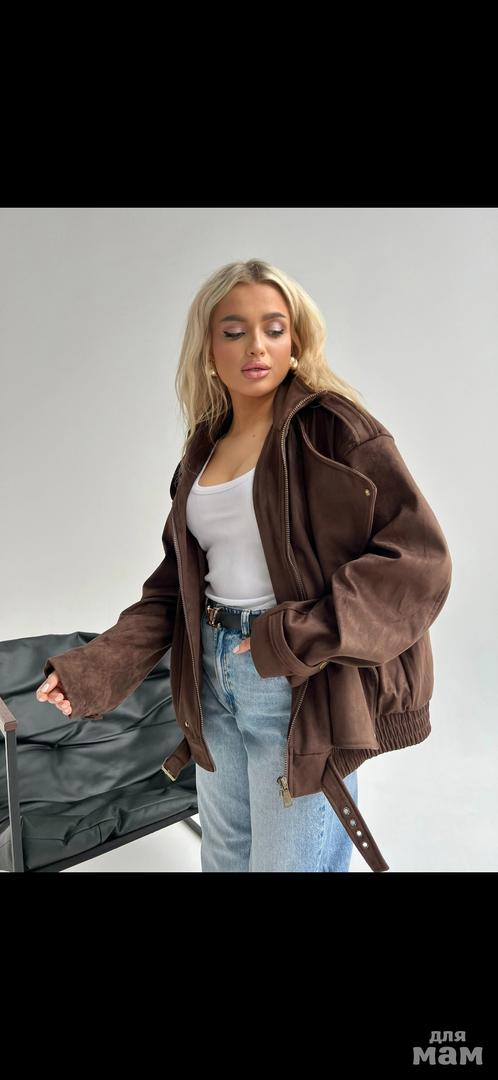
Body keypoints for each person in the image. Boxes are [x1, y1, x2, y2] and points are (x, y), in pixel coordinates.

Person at [36, 258, 452, 872]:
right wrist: (93, 670)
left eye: (273, 328)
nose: (256, 345)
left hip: (294, 681)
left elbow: (419, 560)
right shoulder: (203, 448)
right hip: (210, 678)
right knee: (226, 859)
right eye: (234, 331)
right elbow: (173, 589)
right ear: (209, 349)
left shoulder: (333, 430)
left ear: (296, 340)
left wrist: (296, 636)